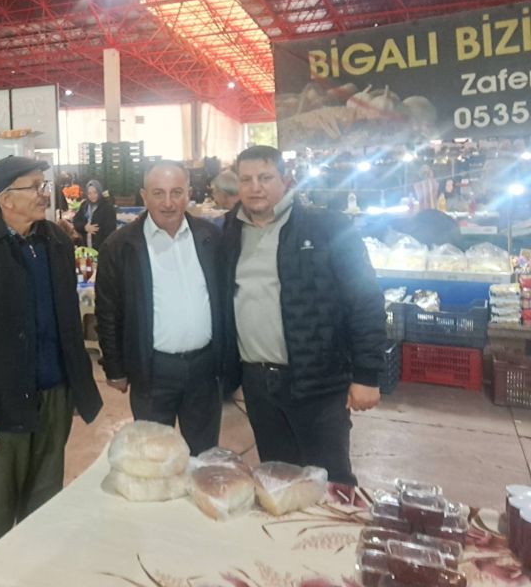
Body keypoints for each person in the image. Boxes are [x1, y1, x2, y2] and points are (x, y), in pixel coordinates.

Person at [0, 155, 102, 557]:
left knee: (45, 508)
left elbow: (67, 321)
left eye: (43, 185)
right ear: (5, 199)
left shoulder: (57, 242)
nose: (44, 194)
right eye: (34, 187)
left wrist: (76, 387)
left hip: (54, 396)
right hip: (2, 407)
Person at [220, 145, 386, 486]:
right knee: (278, 478)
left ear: (287, 181)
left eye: (265, 177)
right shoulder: (229, 232)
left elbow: (365, 300)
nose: (255, 187)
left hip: (317, 380)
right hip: (257, 381)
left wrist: (367, 375)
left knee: (329, 481)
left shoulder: (328, 228)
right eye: (246, 179)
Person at [95, 160, 228, 455]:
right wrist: (115, 368)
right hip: (152, 371)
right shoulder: (120, 246)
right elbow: (108, 312)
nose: (168, 203)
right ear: (144, 196)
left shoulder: (210, 237)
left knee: (204, 456)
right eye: (158, 193)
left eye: (176, 192)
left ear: (189, 193)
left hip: (205, 369)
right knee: (154, 458)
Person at [71, 179, 117, 250]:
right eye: (89, 193)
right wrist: (84, 227)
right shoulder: (84, 206)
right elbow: (76, 221)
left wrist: (97, 232)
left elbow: (111, 230)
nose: (92, 196)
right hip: (86, 248)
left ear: (99, 192)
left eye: (95, 192)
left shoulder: (107, 208)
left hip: (102, 248)